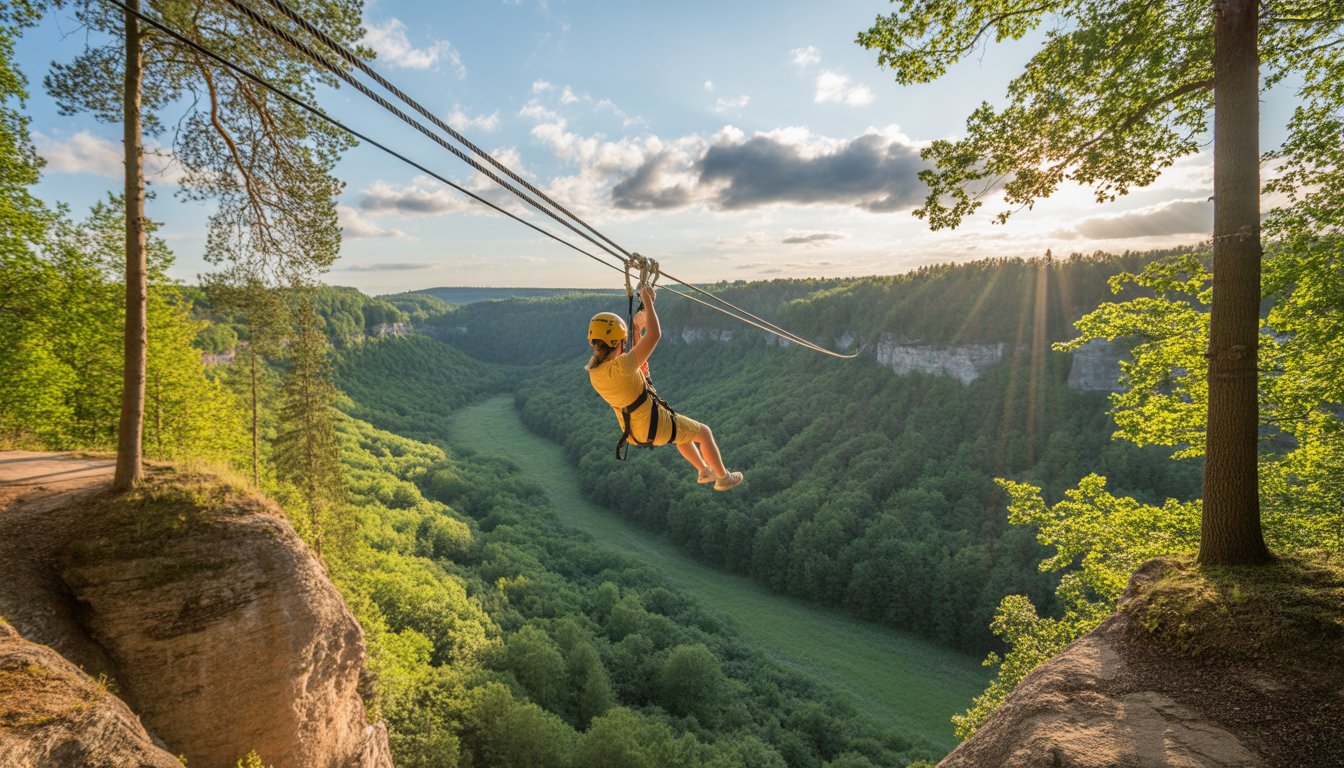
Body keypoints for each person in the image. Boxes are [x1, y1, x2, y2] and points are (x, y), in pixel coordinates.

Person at [586, 284, 743, 491]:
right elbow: (655, 335)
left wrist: (635, 329)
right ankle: (723, 478)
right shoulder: (621, 366)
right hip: (654, 425)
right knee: (704, 432)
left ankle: (704, 469)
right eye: (623, 341)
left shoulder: (594, 371)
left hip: (633, 432)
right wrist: (648, 302)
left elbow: (636, 362)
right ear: (618, 342)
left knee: (682, 433)